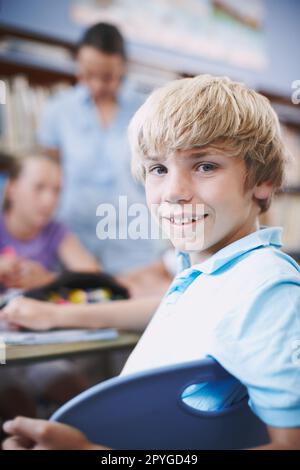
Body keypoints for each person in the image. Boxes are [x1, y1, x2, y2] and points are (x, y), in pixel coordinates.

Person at [2, 75, 300, 450]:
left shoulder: (265, 286)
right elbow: (185, 313)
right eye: (158, 169)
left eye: (205, 165)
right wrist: (56, 315)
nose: (173, 192)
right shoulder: (215, 275)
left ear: (265, 181)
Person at [37, 22, 163, 277]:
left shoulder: (148, 112)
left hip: (133, 242)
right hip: (74, 241)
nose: (96, 85)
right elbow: (50, 174)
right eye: (87, 74)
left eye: (107, 77)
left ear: (123, 68)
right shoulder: (58, 111)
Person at [0, 151, 100, 291]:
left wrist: (47, 278)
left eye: (57, 191)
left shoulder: (55, 231)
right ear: (11, 188)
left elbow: (94, 278)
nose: (50, 201)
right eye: (39, 187)